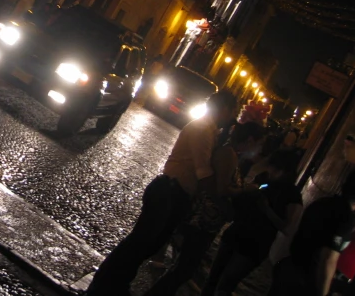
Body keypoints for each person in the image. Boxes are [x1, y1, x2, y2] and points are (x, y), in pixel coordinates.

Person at [86, 90, 240, 296]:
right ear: (225, 109)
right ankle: (103, 286)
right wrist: (223, 195)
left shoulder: (210, 131)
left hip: (175, 194)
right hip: (169, 192)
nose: (233, 119)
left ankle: (115, 284)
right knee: (139, 243)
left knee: (146, 245)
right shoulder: (202, 129)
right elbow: (203, 172)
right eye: (233, 112)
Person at [144, 120, 266, 295]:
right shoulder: (228, 155)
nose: (259, 150)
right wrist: (245, 189)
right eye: (259, 144)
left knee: (183, 268)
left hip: (206, 221)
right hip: (202, 220)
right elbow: (221, 188)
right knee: (184, 269)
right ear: (250, 140)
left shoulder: (232, 154)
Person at [200, 147, 303, 296]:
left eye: (275, 168)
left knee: (226, 283)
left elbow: (287, 228)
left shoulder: (293, 196)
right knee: (213, 278)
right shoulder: (264, 180)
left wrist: (266, 209)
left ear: (285, 170)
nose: (271, 171)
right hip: (235, 234)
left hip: (255, 245)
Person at [268, 168, 355, 296]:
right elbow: (328, 259)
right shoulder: (345, 217)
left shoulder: (322, 203)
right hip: (303, 281)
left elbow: (322, 235)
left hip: (288, 268)